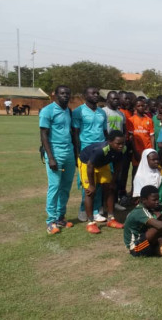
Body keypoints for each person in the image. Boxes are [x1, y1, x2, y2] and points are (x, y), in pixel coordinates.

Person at [40, 86, 76, 234]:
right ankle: (51, 221)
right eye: (62, 93)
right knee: (54, 186)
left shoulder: (69, 110)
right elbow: (43, 135)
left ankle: (61, 217)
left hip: (69, 153)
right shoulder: (47, 111)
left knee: (66, 187)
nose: (65, 96)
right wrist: (51, 157)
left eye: (67, 93)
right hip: (55, 153)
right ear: (55, 94)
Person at [78, 130, 127, 234]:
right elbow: (90, 165)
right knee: (90, 192)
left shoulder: (123, 149)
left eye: (123, 143)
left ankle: (111, 219)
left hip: (103, 164)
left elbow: (118, 165)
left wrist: (113, 181)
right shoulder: (100, 150)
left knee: (110, 188)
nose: (121, 146)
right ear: (109, 142)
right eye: (118, 143)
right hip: (87, 163)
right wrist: (91, 185)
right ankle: (90, 223)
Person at [72, 87, 108, 222]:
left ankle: (96, 209)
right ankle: (83, 209)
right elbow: (75, 134)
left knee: (99, 182)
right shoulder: (78, 112)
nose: (96, 95)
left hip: (101, 149)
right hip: (86, 150)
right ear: (85, 95)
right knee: (87, 183)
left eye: (97, 93)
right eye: (92, 93)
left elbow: (105, 133)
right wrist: (77, 153)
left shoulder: (101, 113)